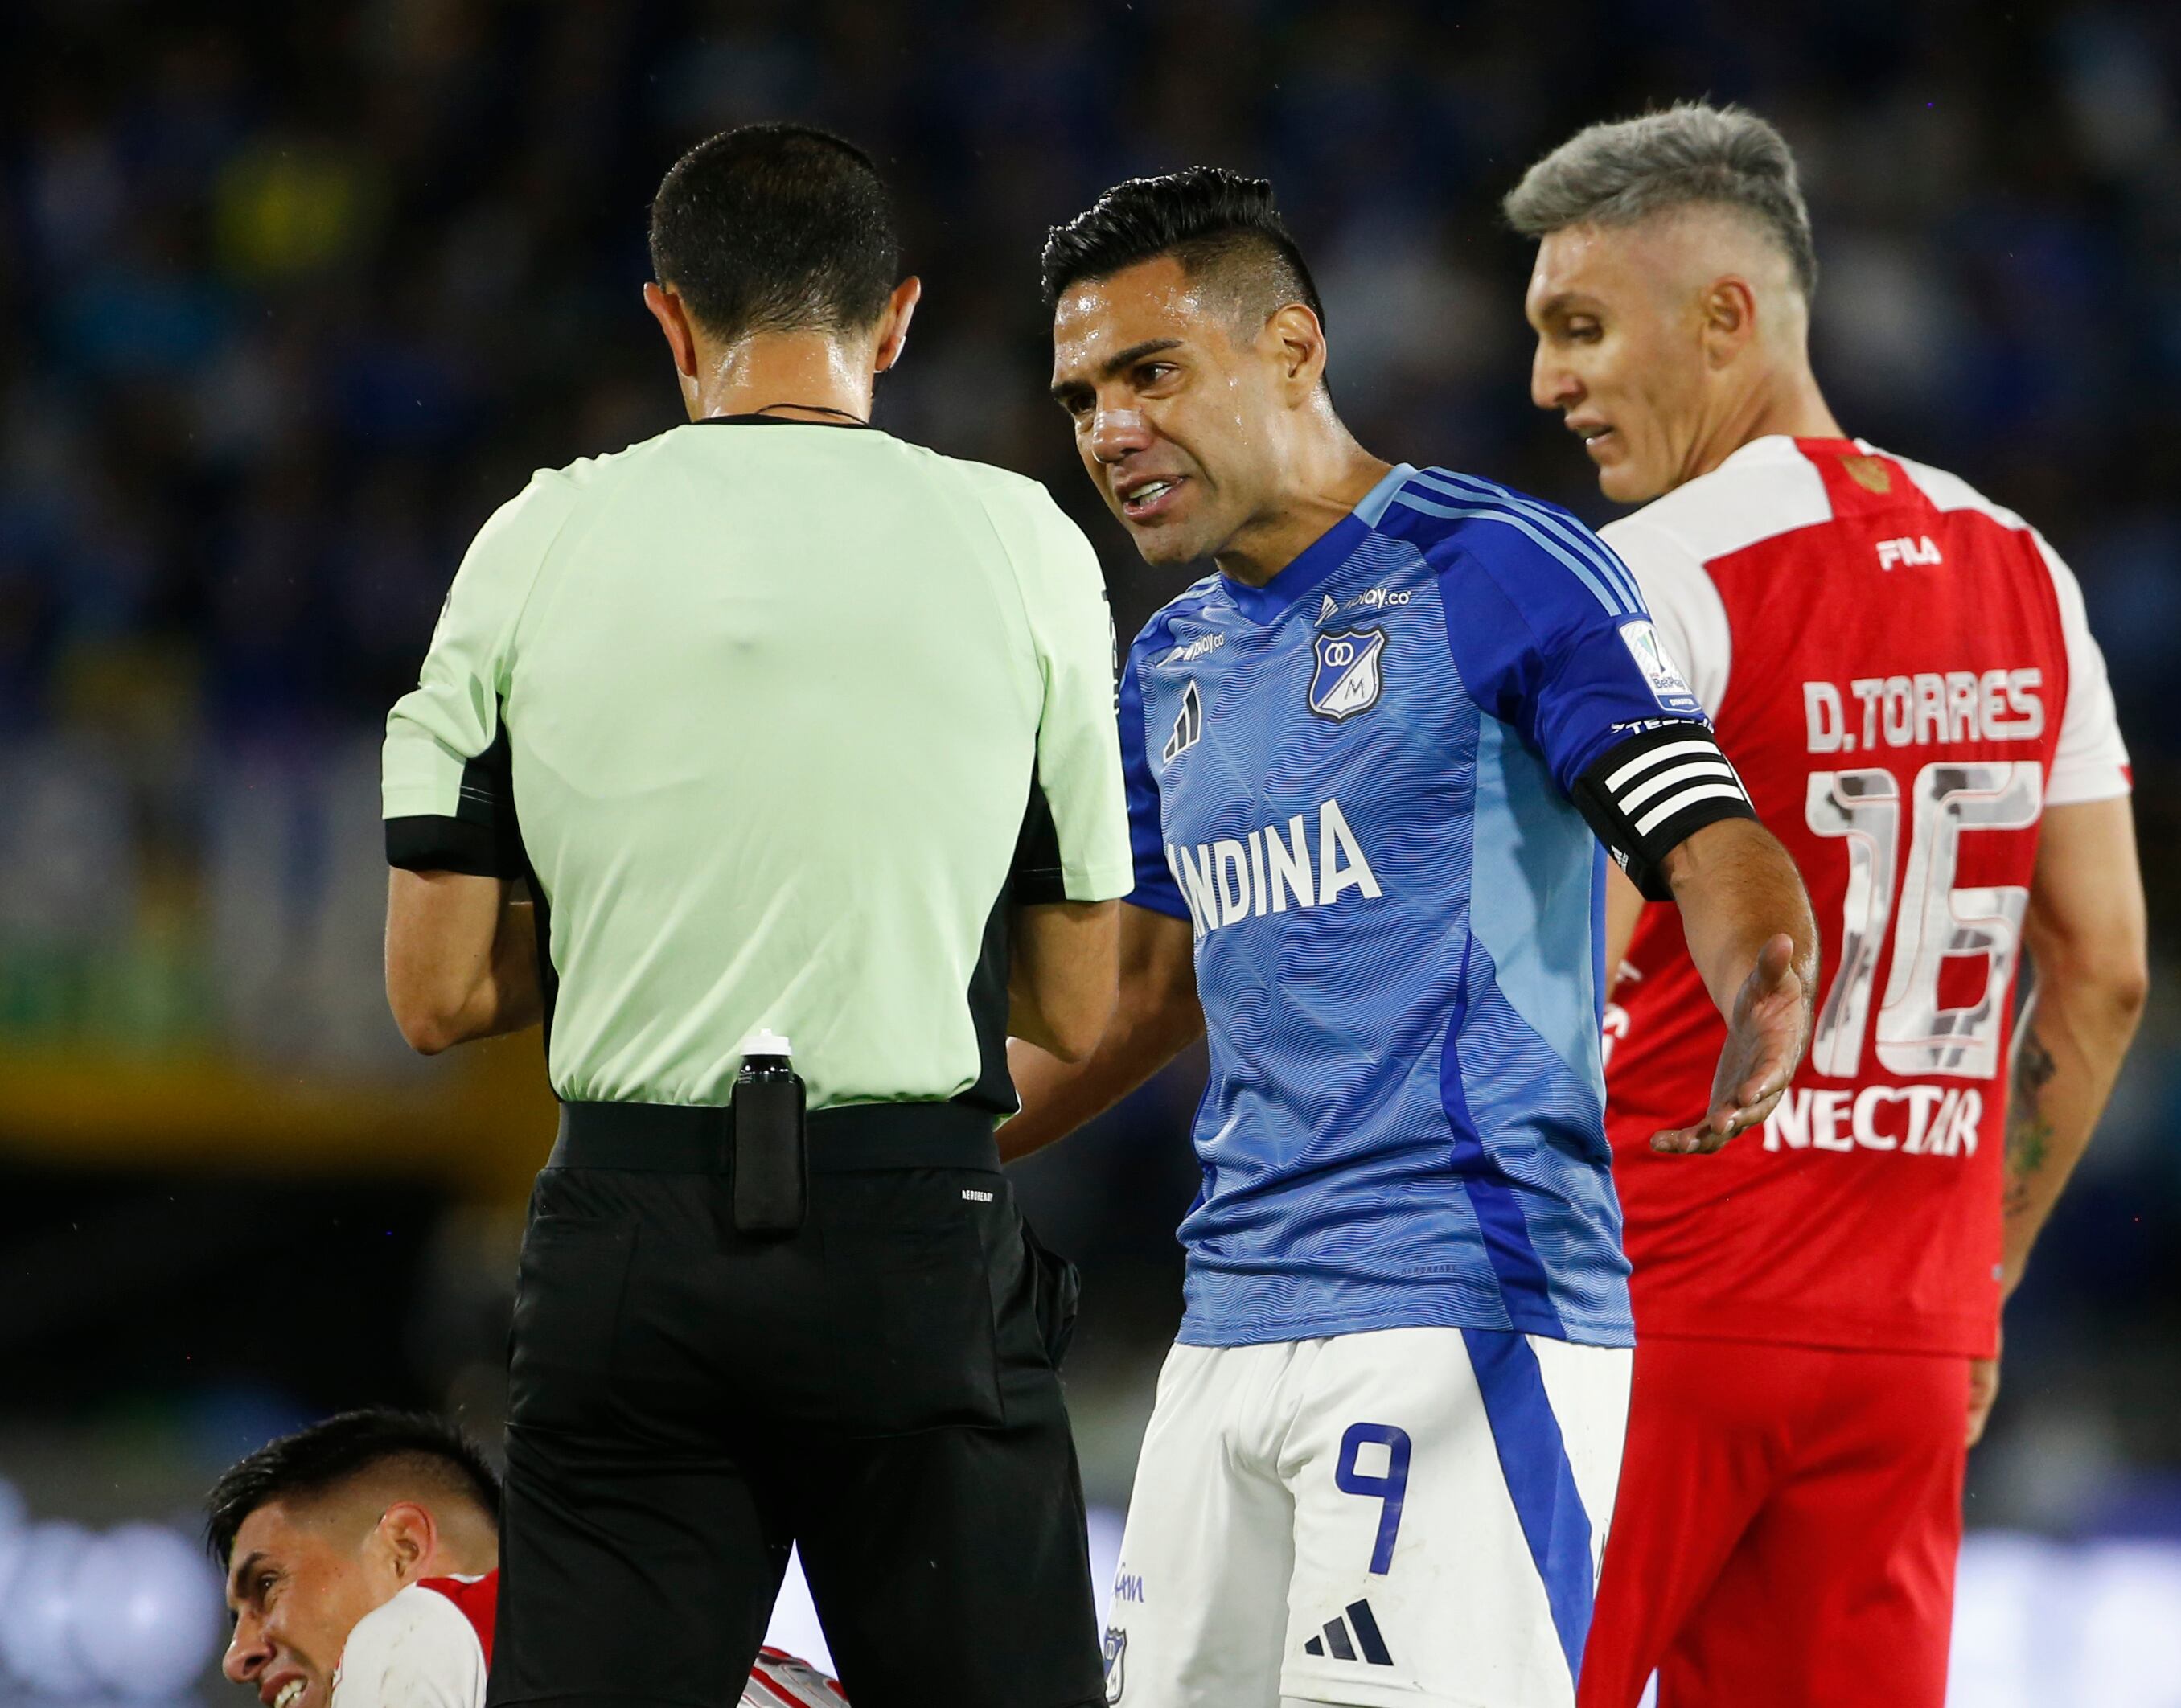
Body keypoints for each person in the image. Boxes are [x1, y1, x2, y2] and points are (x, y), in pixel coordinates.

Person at [1006, 166, 1820, 1708]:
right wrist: (924, 1147)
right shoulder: (1168, 658)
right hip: (1226, 1323)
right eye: (1080, 395)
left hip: (1461, 1305)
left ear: (1295, 350)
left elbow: (1686, 807)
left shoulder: (1491, 563)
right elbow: (1146, 985)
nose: (1108, 429)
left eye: (1150, 372)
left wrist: (1757, 956)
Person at [379, 124, 1132, 1708]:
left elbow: (435, 993)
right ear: (901, 316)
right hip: (918, 1241)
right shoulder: (1027, 548)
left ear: (668, 318)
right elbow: (1075, 1004)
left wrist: (648, 919)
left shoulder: (532, 541)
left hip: (631, 1246)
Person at [1505, 103, 2148, 1708]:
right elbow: (2109, 970)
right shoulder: (2027, 571)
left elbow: (1529, 989)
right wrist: (1978, 1277)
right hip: (1910, 1344)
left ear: (1729, 316)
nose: (1547, 383)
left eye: (1582, 328)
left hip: (1653, 1323)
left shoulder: (1645, 580)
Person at [208, 1408, 844, 1707]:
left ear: (402, 1550)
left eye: (268, 1584)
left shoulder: (415, 1634)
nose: (238, 1657)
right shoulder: (765, 1675)